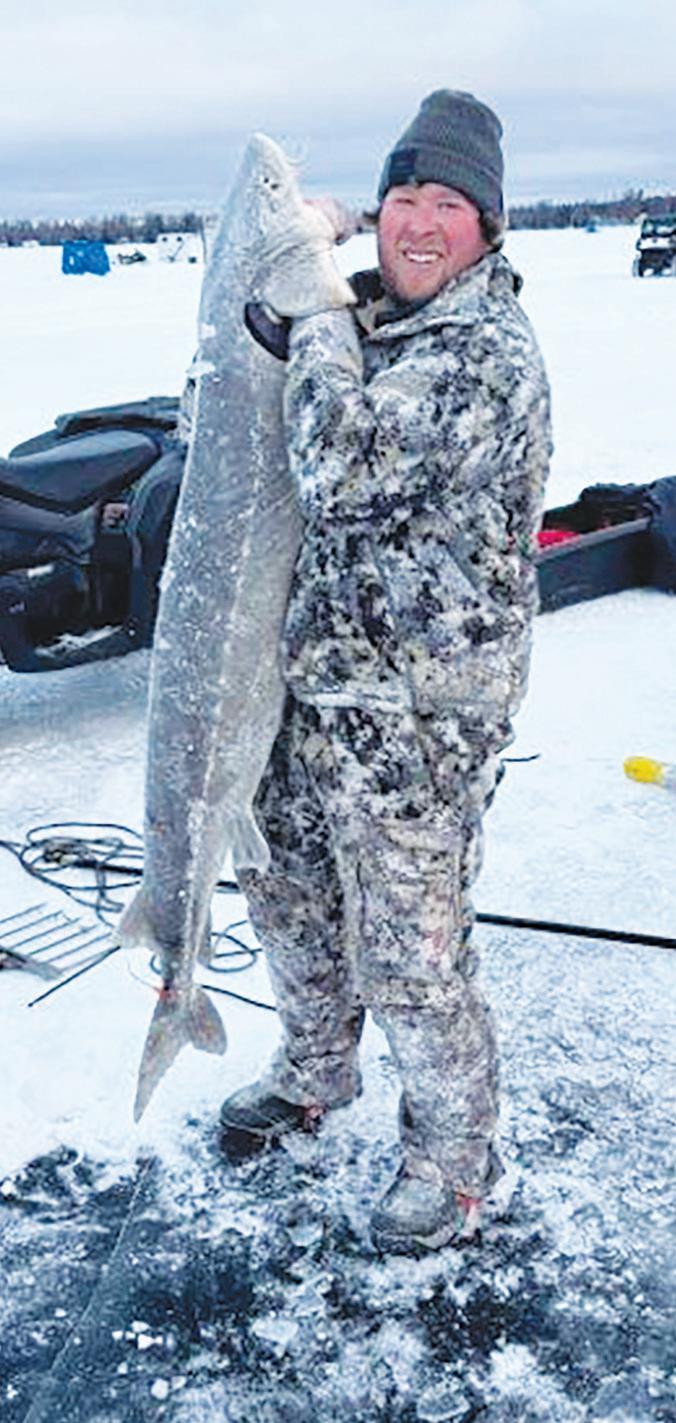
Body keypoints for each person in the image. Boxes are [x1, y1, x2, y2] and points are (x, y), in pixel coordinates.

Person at [219, 90, 552, 1254]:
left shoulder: (484, 356)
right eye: (404, 195)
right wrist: (283, 307)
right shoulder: (374, 325)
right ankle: (316, 1070)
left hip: (420, 716)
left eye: (447, 203)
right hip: (314, 686)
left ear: (486, 227)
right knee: (288, 897)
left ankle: (455, 1159)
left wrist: (312, 315)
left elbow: (344, 466)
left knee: (411, 955)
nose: (419, 220)